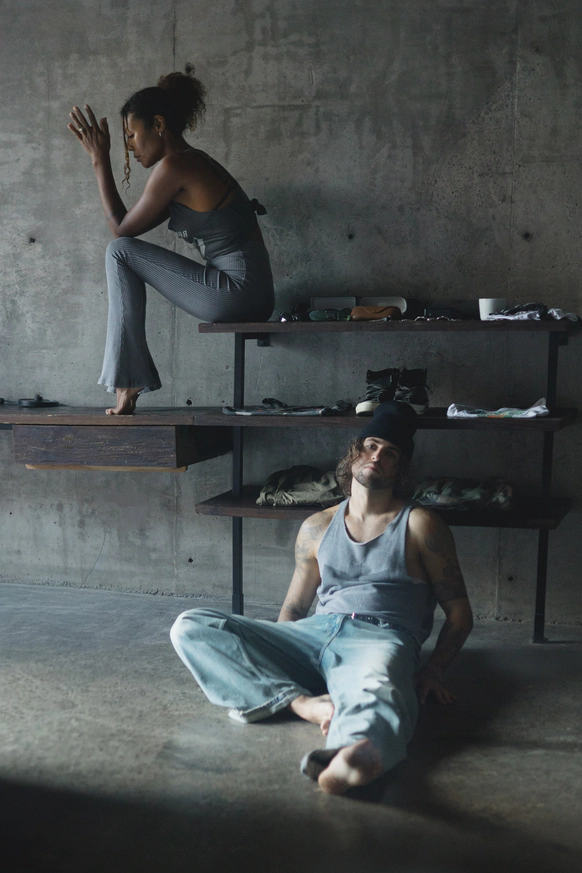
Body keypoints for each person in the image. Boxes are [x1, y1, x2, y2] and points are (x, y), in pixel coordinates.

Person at [170, 401, 473, 795]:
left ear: (399, 468)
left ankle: (354, 755)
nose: (377, 456)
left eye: (390, 453)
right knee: (192, 627)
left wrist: (432, 671)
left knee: (379, 689)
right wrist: (278, 654)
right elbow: (295, 608)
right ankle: (302, 704)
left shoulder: (420, 524)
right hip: (314, 634)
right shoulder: (318, 525)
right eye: (371, 445)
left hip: (379, 637)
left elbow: (459, 612)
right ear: (355, 453)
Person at [68, 69, 274, 415]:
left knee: (118, 252)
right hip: (251, 290)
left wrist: (99, 158)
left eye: (131, 135)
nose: (129, 146)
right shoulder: (192, 164)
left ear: (158, 124)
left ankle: (128, 379)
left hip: (237, 290)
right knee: (121, 251)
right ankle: (129, 376)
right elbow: (129, 226)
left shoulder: (175, 167)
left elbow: (120, 231)